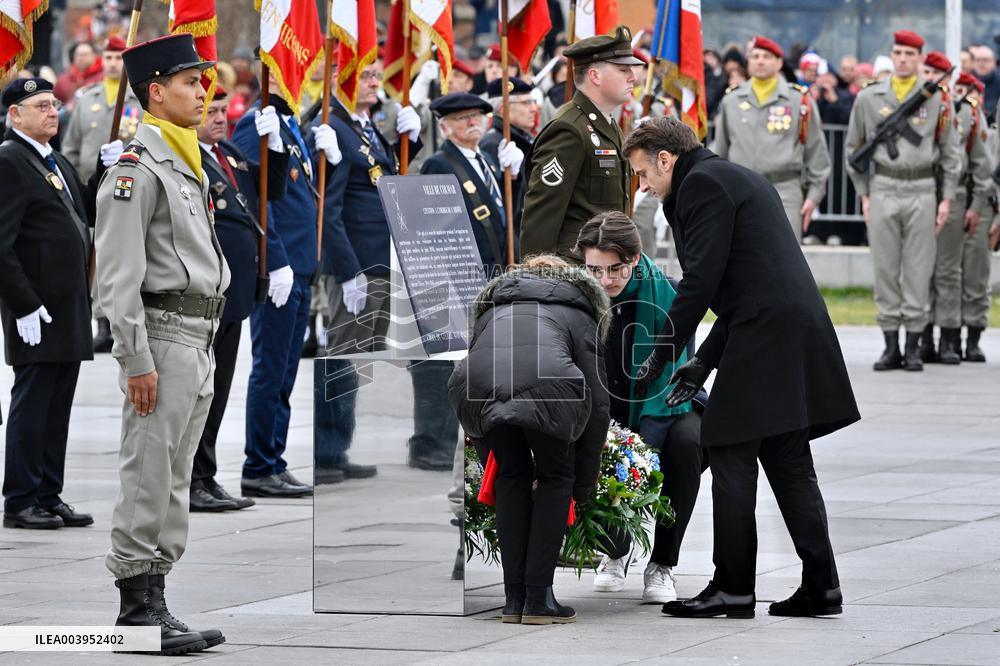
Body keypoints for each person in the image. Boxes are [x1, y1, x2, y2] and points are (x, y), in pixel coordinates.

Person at [622, 117, 859, 619]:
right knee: (788, 461)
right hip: (784, 326)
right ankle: (823, 585)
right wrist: (702, 364)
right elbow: (744, 282)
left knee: (727, 448)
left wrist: (660, 355)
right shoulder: (736, 175)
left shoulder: (701, 184)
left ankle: (732, 587)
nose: (643, 186)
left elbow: (702, 282)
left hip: (765, 334)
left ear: (666, 159)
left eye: (643, 174)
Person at [96, 33, 228, 655]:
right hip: (165, 335)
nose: (203, 92)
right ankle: (135, 611)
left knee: (174, 478)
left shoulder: (184, 160)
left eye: (202, 82)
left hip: (198, 336)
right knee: (149, 473)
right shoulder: (135, 171)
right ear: (156, 92)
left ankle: (158, 599)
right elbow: (116, 279)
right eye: (189, 83)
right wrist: (135, 359)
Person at [448, 255, 610, 625]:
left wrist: (495, 455)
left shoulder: (492, 309)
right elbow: (599, 403)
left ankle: (513, 600)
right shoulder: (580, 311)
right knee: (556, 479)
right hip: (551, 389)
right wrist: (582, 485)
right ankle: (539, 598)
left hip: (476, 390)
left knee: (510, 478)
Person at [0, 77, 116, 530]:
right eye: (42, 105)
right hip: (38, 308)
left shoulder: (52, 158)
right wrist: (23, 304)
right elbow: (2, 244)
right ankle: (21, 498)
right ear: (16, 114)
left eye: (55, 104)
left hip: (67, 304)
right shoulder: (10, 160)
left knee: (58, 404)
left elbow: (82, 211)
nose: (53, 112)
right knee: (33, 403)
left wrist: (102, 173)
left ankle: (49, 493)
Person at [575, 211, 706, 604]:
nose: (605, 280)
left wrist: (638, 447)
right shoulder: (579, 297)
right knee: (598, 440)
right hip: (603, 403)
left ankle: (662, 564)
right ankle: (615, 551)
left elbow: (671, 375)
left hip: (667, 404)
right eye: (594, 269)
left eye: (615, 269)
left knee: (686, 445)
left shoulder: (669, 294)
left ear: (634, 258)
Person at [312, 58, 420, 481]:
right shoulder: (333, 126)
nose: (377, 82)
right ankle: (326, 451)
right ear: (339, 78)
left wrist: (408, 143)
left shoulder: (362, 125)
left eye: (377, 75)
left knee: (355, 359)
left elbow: (380, 179)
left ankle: (338, 447)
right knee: (341, 357)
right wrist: (347, 270)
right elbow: (331, 208)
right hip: (355, 262)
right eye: (368, 75)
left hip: (376, 257)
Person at [190, 85, 293, 511]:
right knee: (198, 395)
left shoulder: (227, 154)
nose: (220, 117)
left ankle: (207, 475)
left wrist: (278, 145)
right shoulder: (186, 157)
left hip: (235, 296)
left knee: (218, 392)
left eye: (222, 110)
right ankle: (192, 480)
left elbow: (268, 192)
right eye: (211, 111)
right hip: (205, 295)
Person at [231, 63, 332, 497]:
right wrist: (272, 258)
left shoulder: (290, 126)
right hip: (279, 269)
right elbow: (250, 196)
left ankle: (274, 458)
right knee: (270, 370)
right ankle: (258, 464)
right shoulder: (257, 124)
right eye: (297, 74)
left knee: (287, 372)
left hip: (300, 266)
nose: (303, 83)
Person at [411, 93, 525, 472]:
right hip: (458, 277)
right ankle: (432, 445)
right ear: (444, 126)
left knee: (478, 365)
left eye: (475, 116)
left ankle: (467, 439)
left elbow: (507, 216)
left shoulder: (487, 160)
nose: (470, 123)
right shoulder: (439, 164)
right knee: (448, 367)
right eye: (460, 119)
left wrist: (518, 176)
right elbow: (433, 227)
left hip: (491, 276)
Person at [846, 30, 962, 372]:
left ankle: (913, 345)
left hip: (923, 188)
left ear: (920, 59)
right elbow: (854, 149)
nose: (902, 59)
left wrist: (947, 199)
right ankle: (890, 345)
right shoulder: (869, 97)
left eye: (910, 54)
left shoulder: (936, 99)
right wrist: (864, 193)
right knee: (885, 267)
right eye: (897, 52)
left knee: (918, 268)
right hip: (883, 186)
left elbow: (950, 153)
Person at [519, 25, 641, 261]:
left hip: (605, 268)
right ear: (595, 75)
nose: (632, 77)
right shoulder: (569, 129)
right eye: (623, 69)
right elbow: (541, 216)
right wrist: (539, 279)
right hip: (575, 270)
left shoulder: (608, 125)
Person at [61, 35, 142, 355]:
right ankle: (101, 323)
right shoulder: (86, 98)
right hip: (91, 192)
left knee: (124, 257)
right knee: (95, 257)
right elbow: (71, 147)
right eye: (107, 58)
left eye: (117, 58)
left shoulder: (136, 100)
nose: (112, 64)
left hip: (129, 191)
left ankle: (124, 320)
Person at [711, 36, 831, 242]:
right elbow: (719, 150)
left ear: (779, 62)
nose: (760, 61)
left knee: (783, 263)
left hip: (784, 190)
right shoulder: (732, 100)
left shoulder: (798, 100)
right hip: (740, 191)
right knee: (742, 259)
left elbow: (817, 151)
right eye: (755, 56)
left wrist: (814, 196)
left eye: (766, 56)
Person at [918, 54, 994, 365]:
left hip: (956, 194)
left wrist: (976, 206)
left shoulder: (967, 114)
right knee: (920, 270)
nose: (932, 77)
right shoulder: (914, 108)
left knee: (949, 271)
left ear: (949, 78)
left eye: (938, 73)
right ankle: (922, 336)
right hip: (920, 191)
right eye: (928, 72)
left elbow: (982, 166)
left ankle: (950, 337)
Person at [480, 76, 536, 226]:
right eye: (526, 103)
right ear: (503, 109)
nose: (534, 109)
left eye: (533, 102)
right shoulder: (494, 144)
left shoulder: (525, 139)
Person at [53, 41, 103, 106]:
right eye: (78, 54)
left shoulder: (102, 78)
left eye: (85, 55)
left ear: (94, 56)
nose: (81, 58)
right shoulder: (64, 79)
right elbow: (55, 102)